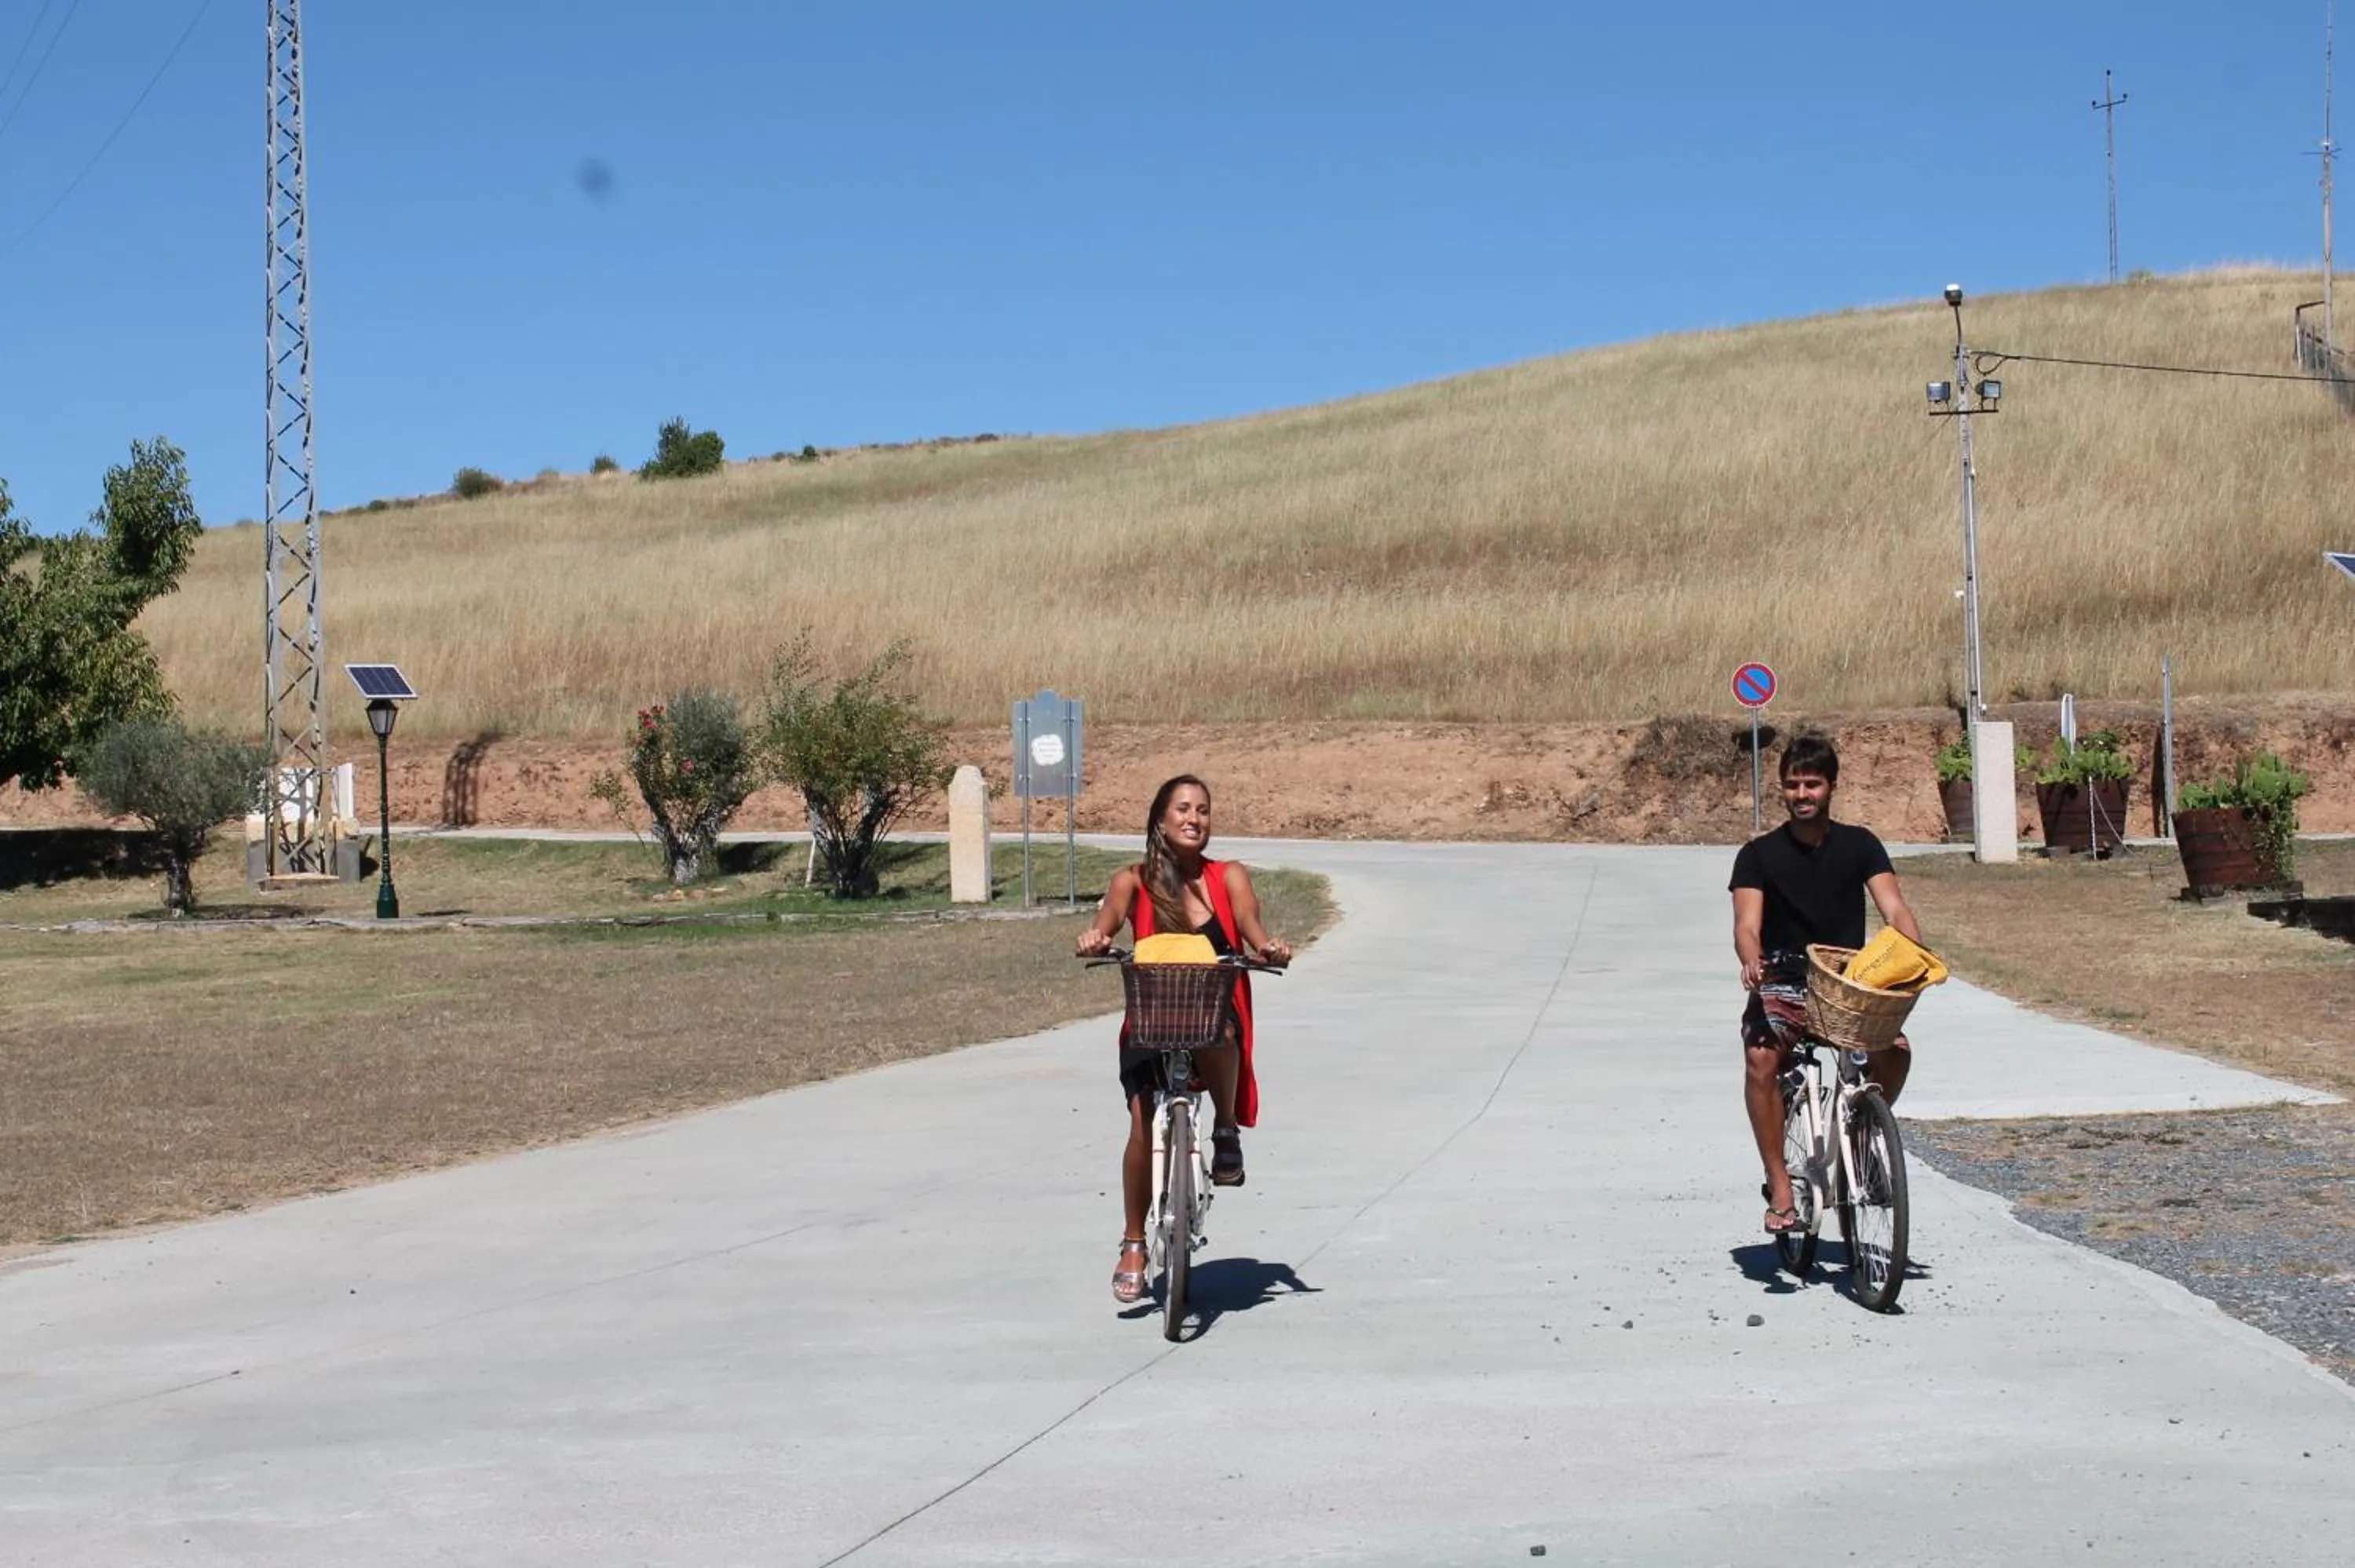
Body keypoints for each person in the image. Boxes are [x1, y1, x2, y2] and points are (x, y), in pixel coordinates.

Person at [1076, 774, 1292, 1304]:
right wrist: (1096, 938)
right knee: (1139, 1124)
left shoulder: (1230, 877)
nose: (1195, 819)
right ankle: (1133, 1242)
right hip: (1152, 1017)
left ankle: (1224, 1129)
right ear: (1159, 820)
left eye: (1204, 810)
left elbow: (1252, 928)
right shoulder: (1133, 880)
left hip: (1212, 1014)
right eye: (1183, 809)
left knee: (1220, 1033)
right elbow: (1105, 924)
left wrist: (1270, 949)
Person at [1729, 733, 1924, 1235]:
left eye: (1811, 784)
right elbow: (1746, 926)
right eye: (1792, 785)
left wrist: (1913, 954)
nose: (1802, 794)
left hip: (1847, 983)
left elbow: (1895, 908)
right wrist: (1751, 960)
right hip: (1783, 981)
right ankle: (1780, 1185)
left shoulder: (1860, 845)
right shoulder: (1758, 854)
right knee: (1760, 1060)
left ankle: (1864, 1130)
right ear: (1782, 790)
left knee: (1896, 1051)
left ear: (1831, 787)